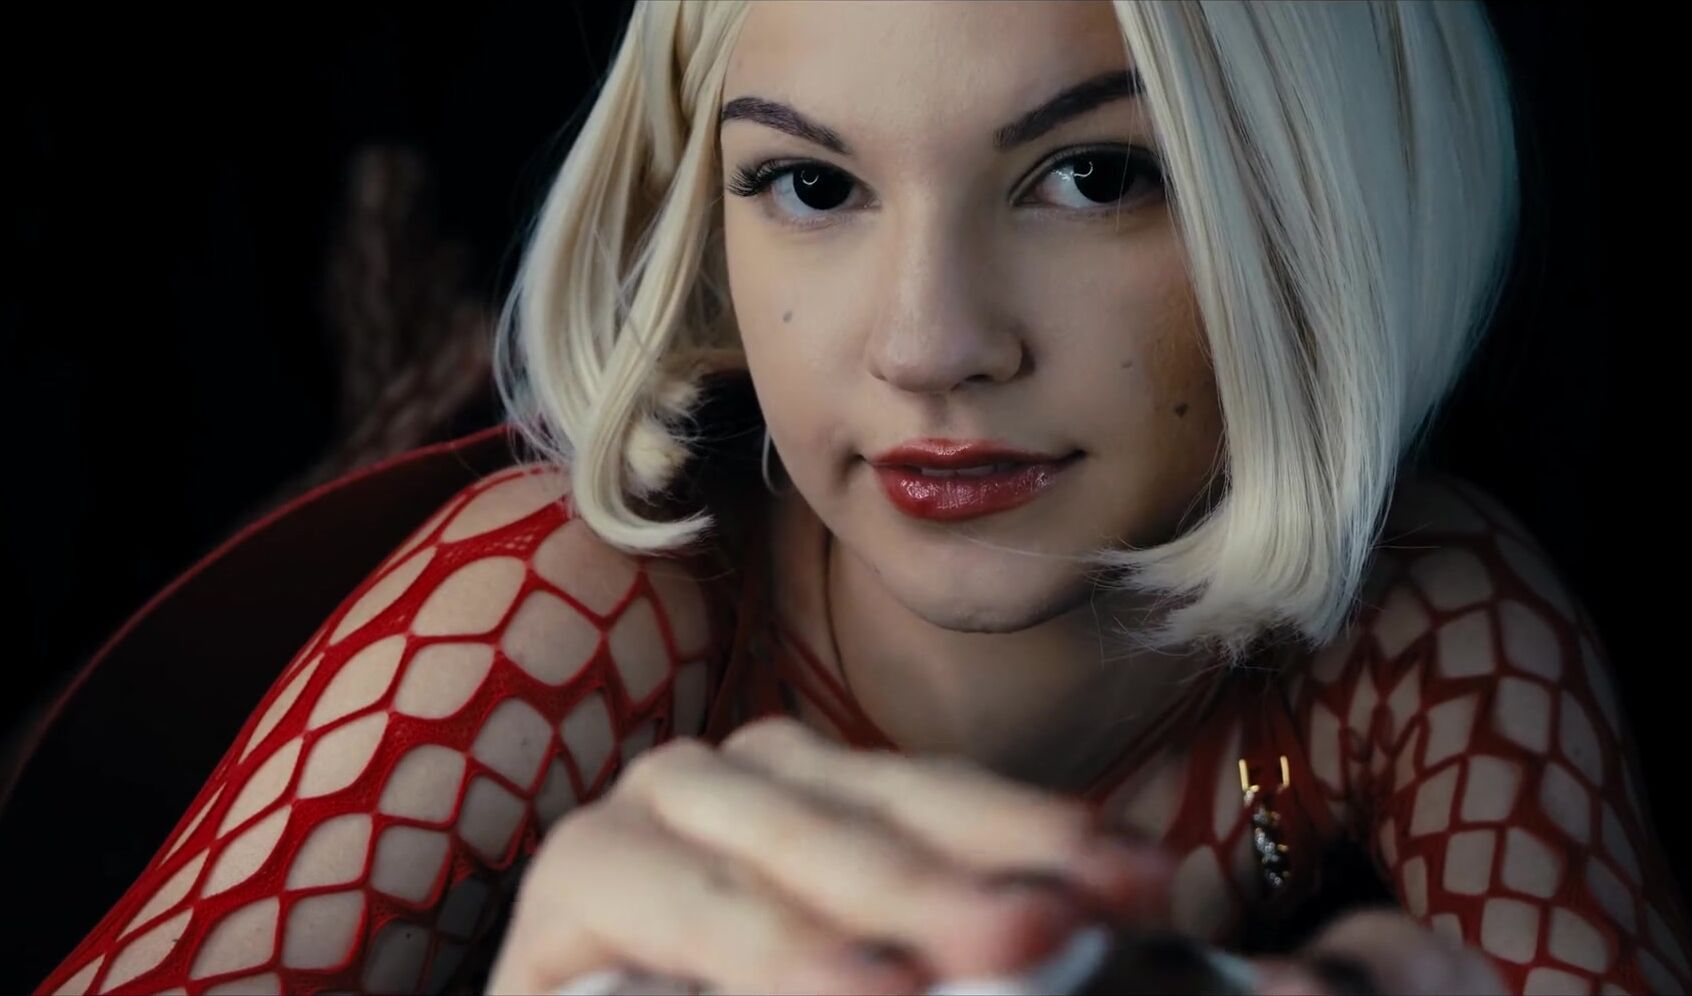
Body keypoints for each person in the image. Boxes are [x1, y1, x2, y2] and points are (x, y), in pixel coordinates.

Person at [25, 2, 1690, 993]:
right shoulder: (561, 604)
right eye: (810, 184)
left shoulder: (1424, 621)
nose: (929, 346)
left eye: (1095, 176)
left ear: (1333, 200)